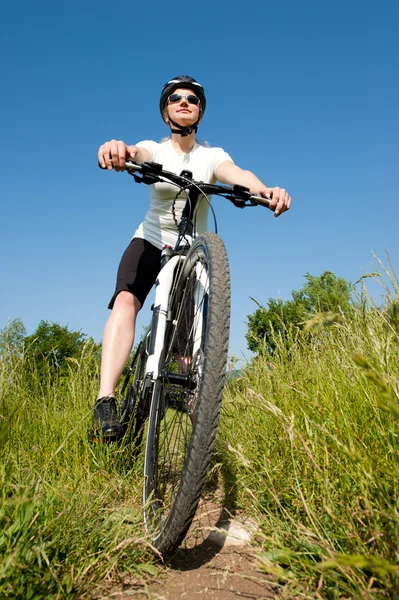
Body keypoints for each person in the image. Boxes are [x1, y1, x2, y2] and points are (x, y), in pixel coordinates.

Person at [91, 75, 291, 441]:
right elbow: (138, 153)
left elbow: (237, 175)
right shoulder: (157, 148)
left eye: (193, 99)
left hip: (190, 252)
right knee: (126, 301)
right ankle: (106, 399)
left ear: (200, 111)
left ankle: (191, 393)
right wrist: (119, 148)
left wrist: (265, 190)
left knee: (191, 331)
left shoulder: (211, 156)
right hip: (150, 242)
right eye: (176, 98)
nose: (185, 102)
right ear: (166, 110)